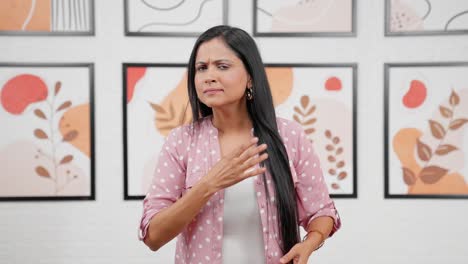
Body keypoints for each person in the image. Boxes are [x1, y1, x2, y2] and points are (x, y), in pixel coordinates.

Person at [139, 25, 341, 264]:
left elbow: (321, 211)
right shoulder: (181, 142)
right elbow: (153, 236)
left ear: (250, 77)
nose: (209, 76)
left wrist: (310, 243)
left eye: (222, 66)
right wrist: (208, 185)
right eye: (201, 68)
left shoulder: (289, 135)